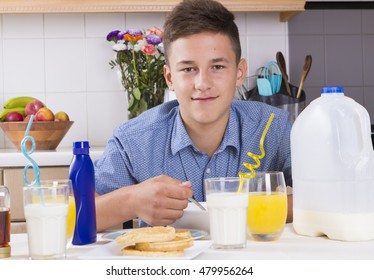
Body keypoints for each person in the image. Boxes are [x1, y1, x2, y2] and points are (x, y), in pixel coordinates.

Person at [94, 0, 293, 231]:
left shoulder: (273, 127)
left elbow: (325, 200)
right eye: (188, 69)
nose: (202, 84)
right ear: (169, 78)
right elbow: (80, 215)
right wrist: (131, 201)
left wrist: (248, 208)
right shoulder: (133, 140)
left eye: (217, 67)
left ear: (239, 73)